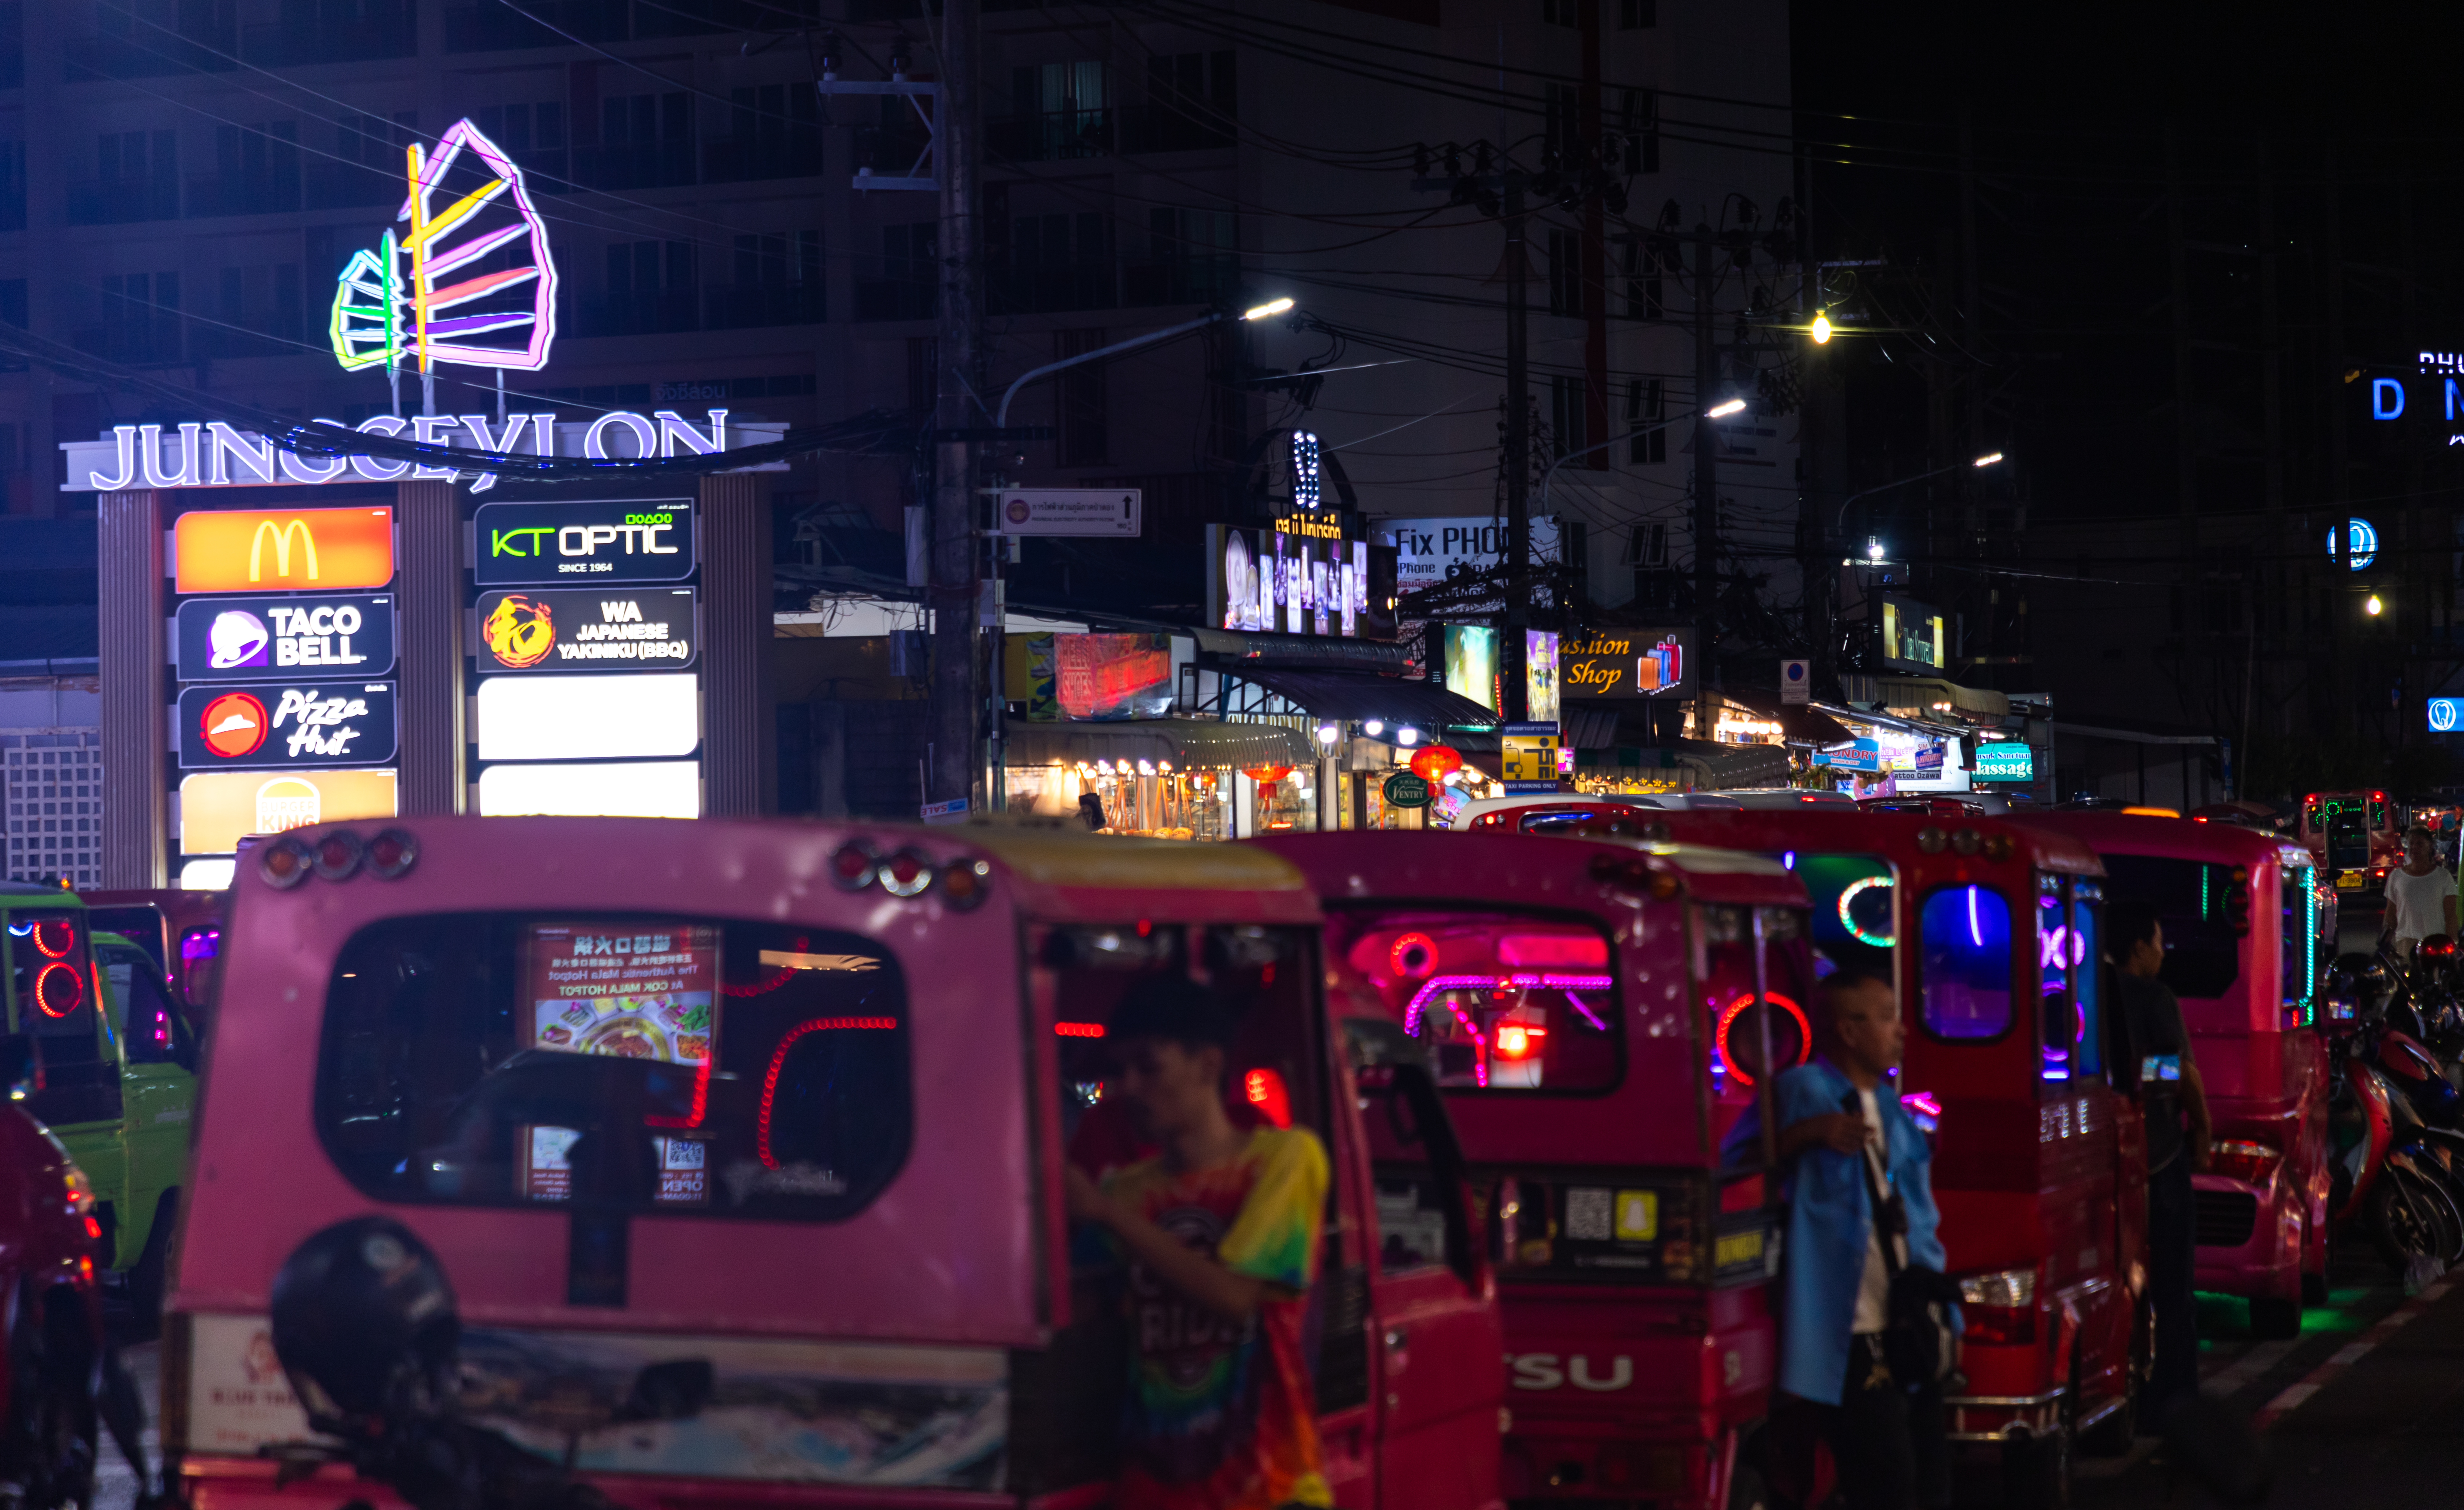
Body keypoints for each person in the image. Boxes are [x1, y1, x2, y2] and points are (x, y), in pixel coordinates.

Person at [1063, 976, 1331, 1510]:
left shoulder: (1283, 1159)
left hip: (1268, 1485)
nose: (1129, 1087)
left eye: (1148, 1067)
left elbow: (1233, 1295)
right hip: (1155, 1487)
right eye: (1120, 1071)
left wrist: (1105, 1212)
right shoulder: (1128, 1187)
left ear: (1208, 1064)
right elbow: (1083, 1305)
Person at [1726, 969, 1950, 1510]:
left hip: (1907, 1319)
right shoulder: (1803, 1089)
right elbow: (1733, 1162)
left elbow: (1920, 1221)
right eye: (1887, 1016)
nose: (1901, 1030)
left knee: (1931, 1482)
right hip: (1850, 1328)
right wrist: (1809, 1134)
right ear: (1849, 1031)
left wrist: (1948, 1321)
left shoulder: (1894, 1107)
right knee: (1886, 1481)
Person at [2106, 897, 2211, 1424]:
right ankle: (2177, 1397)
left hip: (2106, 1166)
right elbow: (2179, 1073)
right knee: (2174, 1285)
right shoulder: (2152, 996)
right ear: (2138, 948)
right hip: (2159, 1155)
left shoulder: (2088, 995)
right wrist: (2204, 1129)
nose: (2163, 952)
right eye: (2157, 942)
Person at [2383, 824, 2458, 958]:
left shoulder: (2443, 877)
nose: (2414, 848)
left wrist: (2453, 944)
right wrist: (2385, 941)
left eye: (2419, 844)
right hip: (2406, 943)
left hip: (2436, 944)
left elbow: (2451, 916)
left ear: (2430, 846)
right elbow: (2390, 914)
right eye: (2411, 844)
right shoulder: (2396, 877)